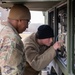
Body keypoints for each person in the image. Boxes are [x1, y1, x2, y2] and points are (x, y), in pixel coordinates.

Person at [0, 4, 31, 75]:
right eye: (27, 21)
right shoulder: (12, 40)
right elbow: (11, 72)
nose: (27, 26)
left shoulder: (2, 29)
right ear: (20, 20)